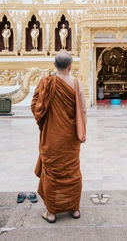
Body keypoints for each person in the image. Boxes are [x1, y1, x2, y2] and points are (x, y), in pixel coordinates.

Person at [31, 52, 87, 223]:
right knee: (71, 172)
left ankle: (52, 212)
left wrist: (45, 118)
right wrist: (82, 132)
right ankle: (74, 208)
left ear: (54, 65)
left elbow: (35, 106)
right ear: (70, 67)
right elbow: (83, 111)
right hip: (70, 138)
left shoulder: (46, 82)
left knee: (53, 173)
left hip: (52, 137)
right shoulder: (77, 84)